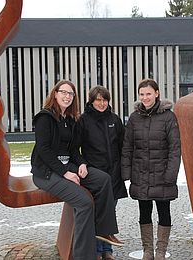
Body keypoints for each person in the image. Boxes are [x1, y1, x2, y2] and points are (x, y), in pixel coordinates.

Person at [30, 80, 124, 260]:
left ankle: (104, 232)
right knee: (84, 202)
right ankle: (84, 256)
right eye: (63, 92)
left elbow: (73, 149)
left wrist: (81, 163)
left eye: (70, 94)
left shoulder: (70, 119)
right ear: (55, 94)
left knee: (103, 179)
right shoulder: (45, 117)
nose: (67, 96)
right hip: (46, 173)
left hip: (67, 166)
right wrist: (65, 172)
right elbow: (44, 150)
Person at [121, 78, 181, 260]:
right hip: (141, 174)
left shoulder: (168, 117)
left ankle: (161, 251)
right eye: (142, 94)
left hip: (162, 175)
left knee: (164, 212)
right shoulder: (134, 118)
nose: (145, 97)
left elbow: (175, 148)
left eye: (148, 93)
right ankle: (148, 250)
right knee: (144, 212)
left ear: (157, 94)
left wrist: (170, 175)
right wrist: (127, 173)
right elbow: (127, 147)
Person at [77, 86, 128, 260]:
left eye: (104, 100)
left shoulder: (114, 119)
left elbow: (123, 146)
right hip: (95, 175)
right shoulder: (83, 120)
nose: (101, 103)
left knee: (110, 211)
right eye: (98, 100)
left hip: (114, 174)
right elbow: (75, 149)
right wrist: (83, 164)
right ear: (91, 101)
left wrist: (125, 169)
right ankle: (97, 251)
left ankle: (108, 251)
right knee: (97, 213)